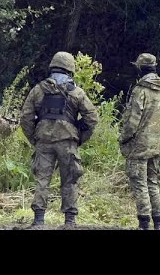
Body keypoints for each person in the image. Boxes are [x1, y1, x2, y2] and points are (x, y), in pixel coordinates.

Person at [20, 51, 98, 227]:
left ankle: (39, 220)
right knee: (70, 180)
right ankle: (69, 221)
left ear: (52, 67)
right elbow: (92, 118)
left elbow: (25, 118)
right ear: (70, 70)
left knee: (42, 180)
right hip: (67, 142)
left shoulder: (38, 90)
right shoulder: (76, 92)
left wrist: (34, 138)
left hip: (43, 142)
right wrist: (79, 137)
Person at [119, 53, 160, 230]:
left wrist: (124, 138)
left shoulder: (140, 90)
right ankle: (158, 223)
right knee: (153, 183)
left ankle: (144, 224)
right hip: (157, 146)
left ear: (140, 68)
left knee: (140, 184)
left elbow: (132, 122)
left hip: (139, 147)